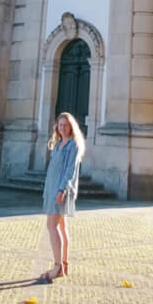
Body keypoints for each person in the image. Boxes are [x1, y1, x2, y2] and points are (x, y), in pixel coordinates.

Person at [40, 111, 85, 282]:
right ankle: (63, 264)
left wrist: (62, 190)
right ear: (57, 127)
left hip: (60, 190)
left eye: (66, 125)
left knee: (52, 226)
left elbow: (70, 170)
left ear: (71, 126)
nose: (63, 128)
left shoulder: (73, 145)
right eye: (60, 125)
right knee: (61, 226)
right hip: (52, 188)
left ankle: (57, 267)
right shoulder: (58, 144)